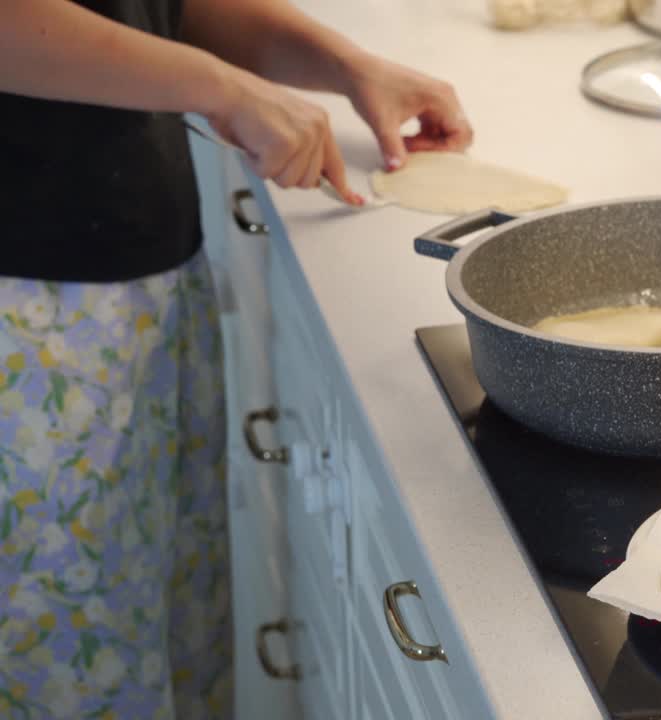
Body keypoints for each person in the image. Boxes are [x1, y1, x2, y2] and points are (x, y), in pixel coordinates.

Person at [0, 1, 473, 717]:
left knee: (161, 642)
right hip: (32, 325)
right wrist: (221, 87)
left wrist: (338, 63)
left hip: (137, 289)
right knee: (65, 672)